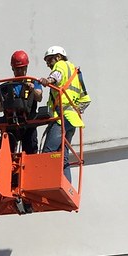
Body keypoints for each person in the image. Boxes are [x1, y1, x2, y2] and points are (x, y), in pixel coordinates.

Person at [40, 45, 91, 182]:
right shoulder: (76, 72)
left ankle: (46, 184)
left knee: (48, 153)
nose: (48, 64)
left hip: (61, 118)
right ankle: (67, 188)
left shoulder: (61, 64)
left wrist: (48, 81)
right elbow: (86, 99)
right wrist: (74, 110)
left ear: (58, 57)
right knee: (63, 156)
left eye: (49, 60)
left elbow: (57, 75)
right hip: (72, 120)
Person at [0, 50, 42, 154]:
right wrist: (4, 102)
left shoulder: (33, 82)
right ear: (13, 68)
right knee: (6, 151)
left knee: (30, 151)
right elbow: (0, 107)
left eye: (22, 68)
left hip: (29, 123)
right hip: (11, 124)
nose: (20, 71)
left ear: (26, 68)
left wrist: (33, 89)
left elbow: (39, 97)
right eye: (17, 69)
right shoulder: (6, 86)